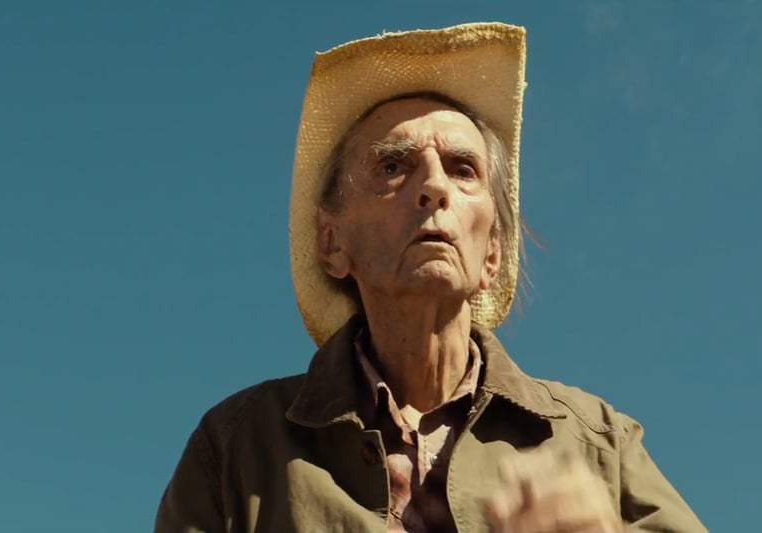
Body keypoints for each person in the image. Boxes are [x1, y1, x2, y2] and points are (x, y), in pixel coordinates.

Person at [155, 22, 707, 533]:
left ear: (493, 253)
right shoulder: (238, 447)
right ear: (332, 242)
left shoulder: (599, 443)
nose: (434, 188)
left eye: (463, 169)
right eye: (393, 166)